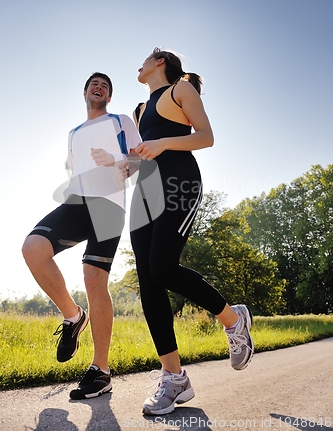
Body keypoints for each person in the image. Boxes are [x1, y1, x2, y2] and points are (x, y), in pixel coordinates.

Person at [128, 48, 254, 416]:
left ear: (160, 62)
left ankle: (233, 320)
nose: (140, 64)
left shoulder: (180, 90)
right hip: (146, 191)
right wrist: (128, 163)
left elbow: (206, 137)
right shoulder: (140, 109)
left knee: (163, 267)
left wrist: (164, 143)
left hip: (180, 183)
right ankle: (174, 378)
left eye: (145, 58)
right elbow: (146, 153)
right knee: (147, 278)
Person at [22, 72, 141, 400]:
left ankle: (100, 371)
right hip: (75, 204)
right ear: (85, 93)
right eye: (94, 84)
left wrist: (119, 161)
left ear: (110, 96)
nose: (98, 87)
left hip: (108, 207)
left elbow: (140, 159)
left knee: (93, 280)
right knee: (32, 248)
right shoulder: (73, 133)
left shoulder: (120, 121)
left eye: (105, 85)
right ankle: (74, 317)